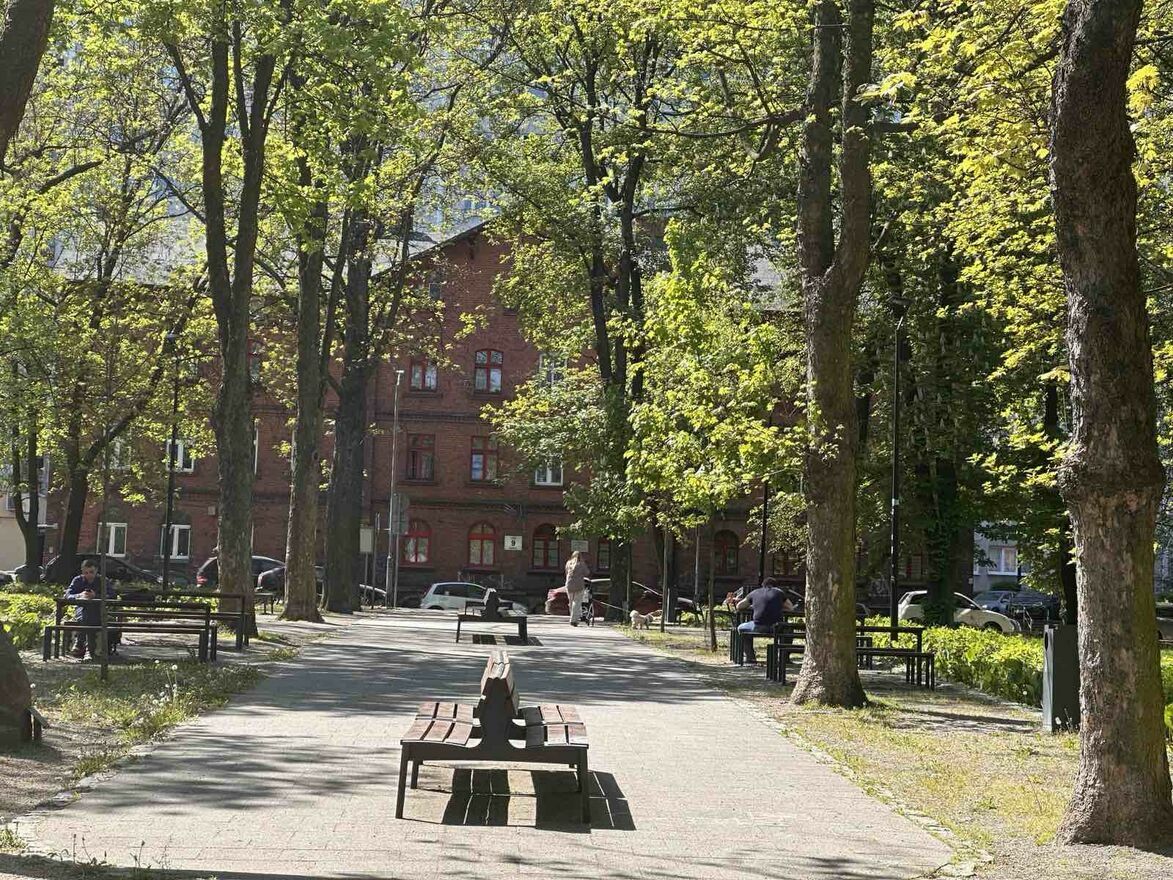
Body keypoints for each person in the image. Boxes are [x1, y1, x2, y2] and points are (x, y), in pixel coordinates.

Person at [728, 577, 794, 664]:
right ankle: (784, 658)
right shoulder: (779, 593)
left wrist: (753, 606)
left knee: (741, 628)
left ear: (762, 585)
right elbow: (790, 608)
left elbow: (739, 606)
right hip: (776, 627)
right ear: (776, 586)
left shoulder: (755, 592)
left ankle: (750, 657)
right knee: (788, 629)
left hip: (758, 626)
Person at [64, 559, 116, 659]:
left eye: (91, 572)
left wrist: (96, 596)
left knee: (90, 615)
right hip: (81, 610)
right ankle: (90, 650)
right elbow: (68, 594)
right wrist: (79, 595)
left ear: (96, 570)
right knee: (88, 614)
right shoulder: (77, 580)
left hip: (98, 611)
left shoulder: (103, 580)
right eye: (86, 572)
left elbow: (112, 595)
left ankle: (80, 644)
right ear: (82, 571)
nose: (89, 575)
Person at [564, 550, 590, 627]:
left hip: (569, 585)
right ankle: (573, 620)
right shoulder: (581, 564)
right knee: (577, 603)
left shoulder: (568, 563)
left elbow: (566, 573)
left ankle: (572, 618)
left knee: (571, 602)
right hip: (579, 585)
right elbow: (587, 573)